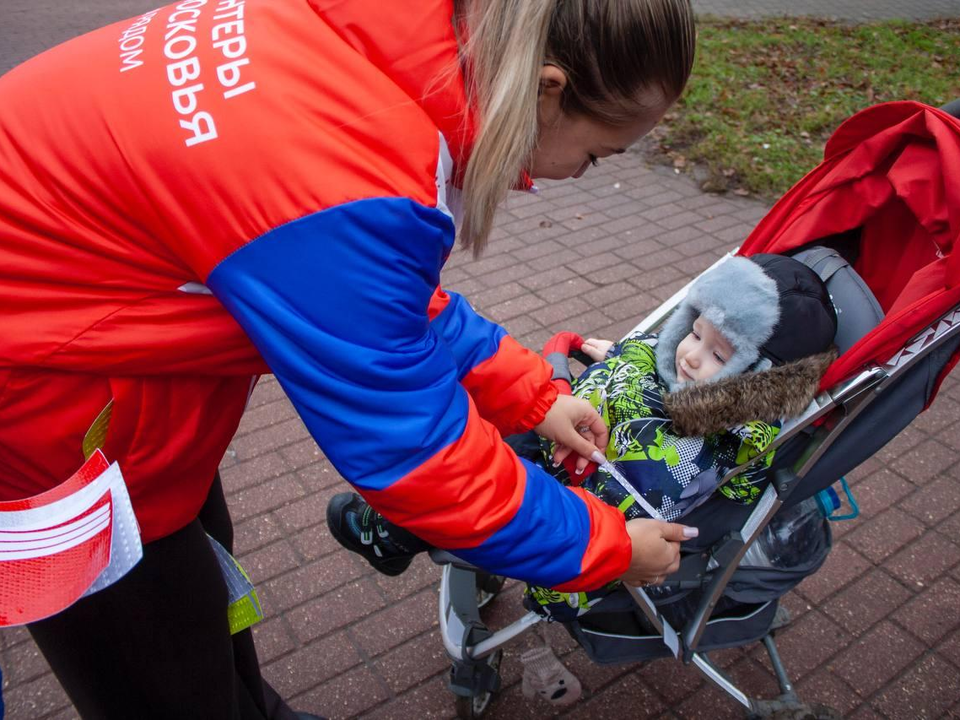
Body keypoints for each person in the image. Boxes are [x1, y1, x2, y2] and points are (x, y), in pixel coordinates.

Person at [0, 0, 697, 717]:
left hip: (103, 378)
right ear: (549, 90)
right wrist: (607, 547)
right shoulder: (341, 174)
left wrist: (533, 395)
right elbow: (421, 460)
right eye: (597, 154)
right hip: (48, 429)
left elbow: (363, 293)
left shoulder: (374, 50)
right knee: (159, 672)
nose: (581, 175)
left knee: (198, 603)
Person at [329, 254, 838, 620]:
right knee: (475, 432)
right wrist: (623, 358)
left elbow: (629, 511)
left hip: (586, 518)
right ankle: (403, 519)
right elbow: (653, 367)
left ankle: (395, 531)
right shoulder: (674, 370)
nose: (689, 354)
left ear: (756, 382)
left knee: (484, 468)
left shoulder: (699, 453)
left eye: (720, 355)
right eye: (693, 331)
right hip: (568, 448)